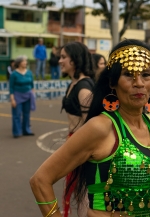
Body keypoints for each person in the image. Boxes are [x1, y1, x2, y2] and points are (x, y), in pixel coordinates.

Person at [30, 39, 150, 217]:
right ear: (112, 83)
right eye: (128, 75)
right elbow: (40, 180)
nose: (139, 83)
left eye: (146, 74)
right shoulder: (101, 128)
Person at [59, 41, 95, 216]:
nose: (60, 60)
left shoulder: (84, 88)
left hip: (81, 145)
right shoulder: (74, 83)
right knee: (75, 191)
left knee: (83, 194)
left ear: (75, 60)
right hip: (73, 140)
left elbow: (91, 127)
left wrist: (79, 150)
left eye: (64, 57)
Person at [9, 56, 36, 138]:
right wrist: (12, 99)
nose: (25, 63)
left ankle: (26, 130)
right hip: (17, 96)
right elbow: (11, 87)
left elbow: (32, 85)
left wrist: (33, 95)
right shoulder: (14, 74)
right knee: (17, 114)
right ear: (19, 63)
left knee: (26, 114)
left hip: (28, 95)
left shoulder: (29, 73)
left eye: (26, 61)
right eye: (24, 61)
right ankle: (17, 132)